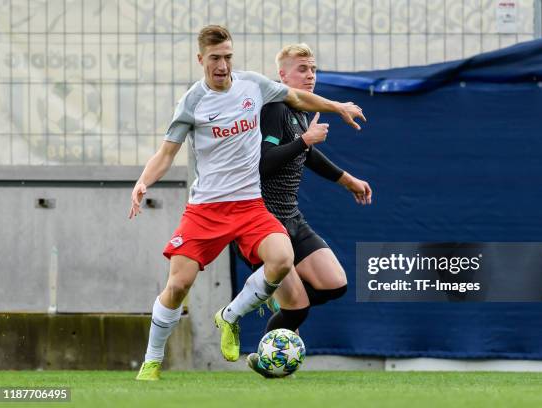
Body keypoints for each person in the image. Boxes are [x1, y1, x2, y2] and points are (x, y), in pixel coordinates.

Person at [130, 25, 366, 381]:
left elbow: (299, 99)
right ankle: (151, 362)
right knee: (179, 285)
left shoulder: (253, 86)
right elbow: (166, 153)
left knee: (283, 257)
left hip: (249, 206)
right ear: (201, 60)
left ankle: (230, 316)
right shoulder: (193, 101)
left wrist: (338, 107)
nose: (222, 65)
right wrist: (143, 181)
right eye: (215, 58)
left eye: (227, 57)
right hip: (205, 209)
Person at [238, 44, 372, 377]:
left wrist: (347, 180)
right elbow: (263, 164)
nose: (310, 75)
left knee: (335, 283)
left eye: (312, 69)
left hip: (291, 217)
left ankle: (277, 298)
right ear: (282, 75)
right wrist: (305, 141)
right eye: (302, 69)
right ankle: (267, 357)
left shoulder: (300, 111)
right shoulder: (274, 108)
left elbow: (307, 156)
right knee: (297, 308)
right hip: (264, 224)